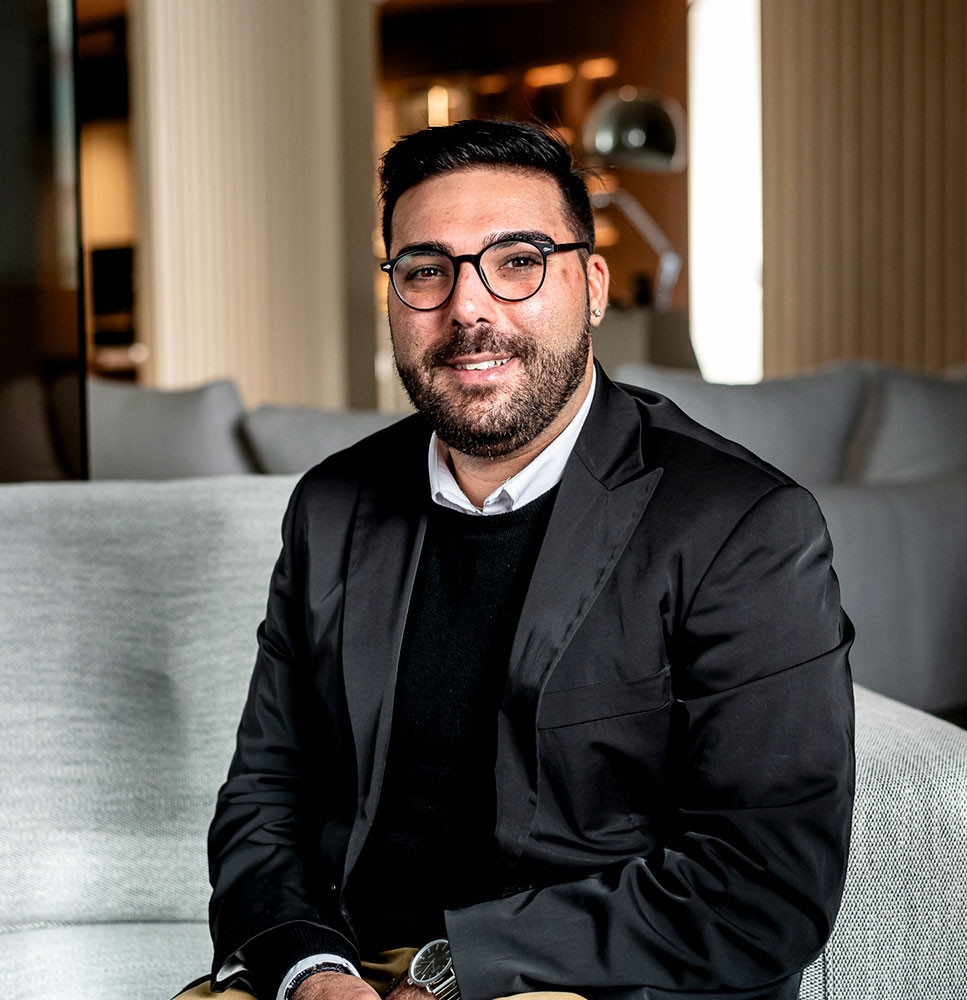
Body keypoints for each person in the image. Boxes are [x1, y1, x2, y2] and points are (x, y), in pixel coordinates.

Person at [186, 119, 854, 1000]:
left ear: (593, 286)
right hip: (347, 970)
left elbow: (767, 885)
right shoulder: (332, 506)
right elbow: (265, 797)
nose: (468, 308)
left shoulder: (743, 528)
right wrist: (312, 969)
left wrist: (457, 971)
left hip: (591, 978)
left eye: (518, 261)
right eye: (427, 269)